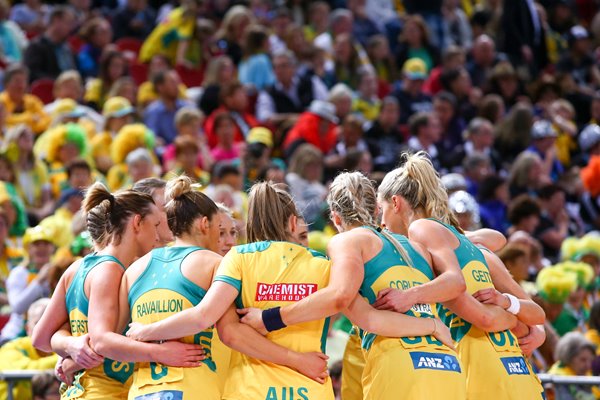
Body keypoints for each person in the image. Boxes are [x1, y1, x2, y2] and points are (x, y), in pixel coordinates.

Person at [126, 180, 455, 399]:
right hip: (309, 388)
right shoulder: (324, 265)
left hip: (249, 390)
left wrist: (144, 332)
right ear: (296, 223)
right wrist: (431, 324)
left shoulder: (235, 259)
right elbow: (371, 319)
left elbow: (219, 326)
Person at [375, 152, 546, 399]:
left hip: (478, 369)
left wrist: (409, 296)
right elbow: (531, 314)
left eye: (381, 210)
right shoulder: (473, 247)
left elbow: (477, 308)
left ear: (396, 203)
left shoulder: (420, 231)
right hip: (517, 371)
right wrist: (515, 318)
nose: (381, 222)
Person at [31, 183, 205, 399]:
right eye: (155, 224)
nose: (157, 235)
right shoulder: (112, 270)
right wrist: (160, 353)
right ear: (137, 223)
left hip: (79, 391)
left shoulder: (77, 267)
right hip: (106, 392)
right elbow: (102, 341)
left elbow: (41, 337)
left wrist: (70, 347)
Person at [23, 6, 77, 82]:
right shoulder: (36, 47)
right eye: (68, 23)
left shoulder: (68, 48)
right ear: (56, 20)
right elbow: (33, 74)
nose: (70, 28)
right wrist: (58, 82)